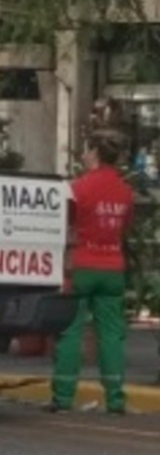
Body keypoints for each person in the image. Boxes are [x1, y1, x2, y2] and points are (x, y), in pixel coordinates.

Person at [50, 131, 135, 414]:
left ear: (95, 154)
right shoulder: (125, 191)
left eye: (86, 152)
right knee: (111, 335)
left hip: (81, 264)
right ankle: (115, 398)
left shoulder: (77, 188)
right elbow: (125, 227)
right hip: (113, 266)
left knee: (70, 331)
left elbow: (65, 223)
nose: (83, 157)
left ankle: (63, 398)